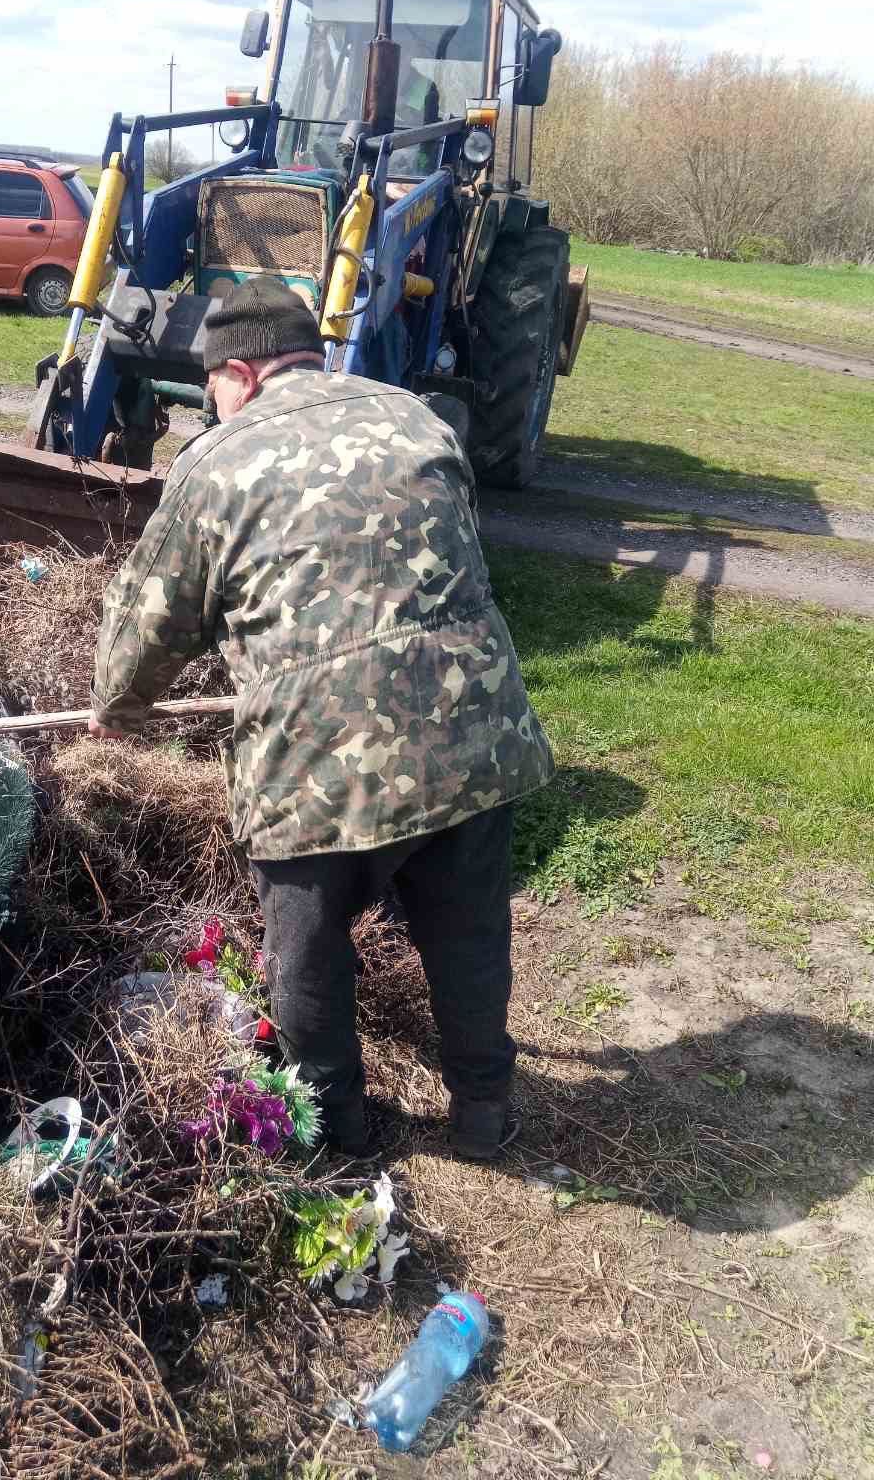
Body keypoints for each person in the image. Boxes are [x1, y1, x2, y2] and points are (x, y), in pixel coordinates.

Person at [90, 276, 553, 1160]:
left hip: (315, 760)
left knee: (305, 952)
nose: (210, 407)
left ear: (240, 373)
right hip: (474, 734)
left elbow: (153, 615)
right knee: (468, 934)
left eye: (211, 390)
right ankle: (484, 1112)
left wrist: (119, 707)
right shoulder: (419, 419)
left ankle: (335, 1128)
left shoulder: (217, 460)